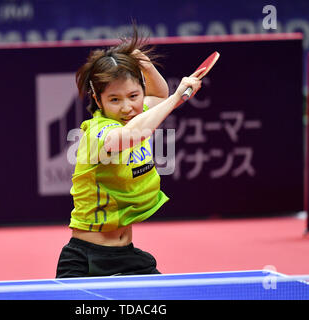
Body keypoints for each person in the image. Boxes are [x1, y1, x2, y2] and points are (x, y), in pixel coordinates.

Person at [56, 28, 203, 278]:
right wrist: (178, 97)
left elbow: (158, 95)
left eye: (134, 96)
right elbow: (130, 136)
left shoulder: (135, 115)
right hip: (86, 260)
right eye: (114, 99)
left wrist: (143, 63)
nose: (127, 107)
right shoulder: (97, 132)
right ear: (98, 100)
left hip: (127, 257)